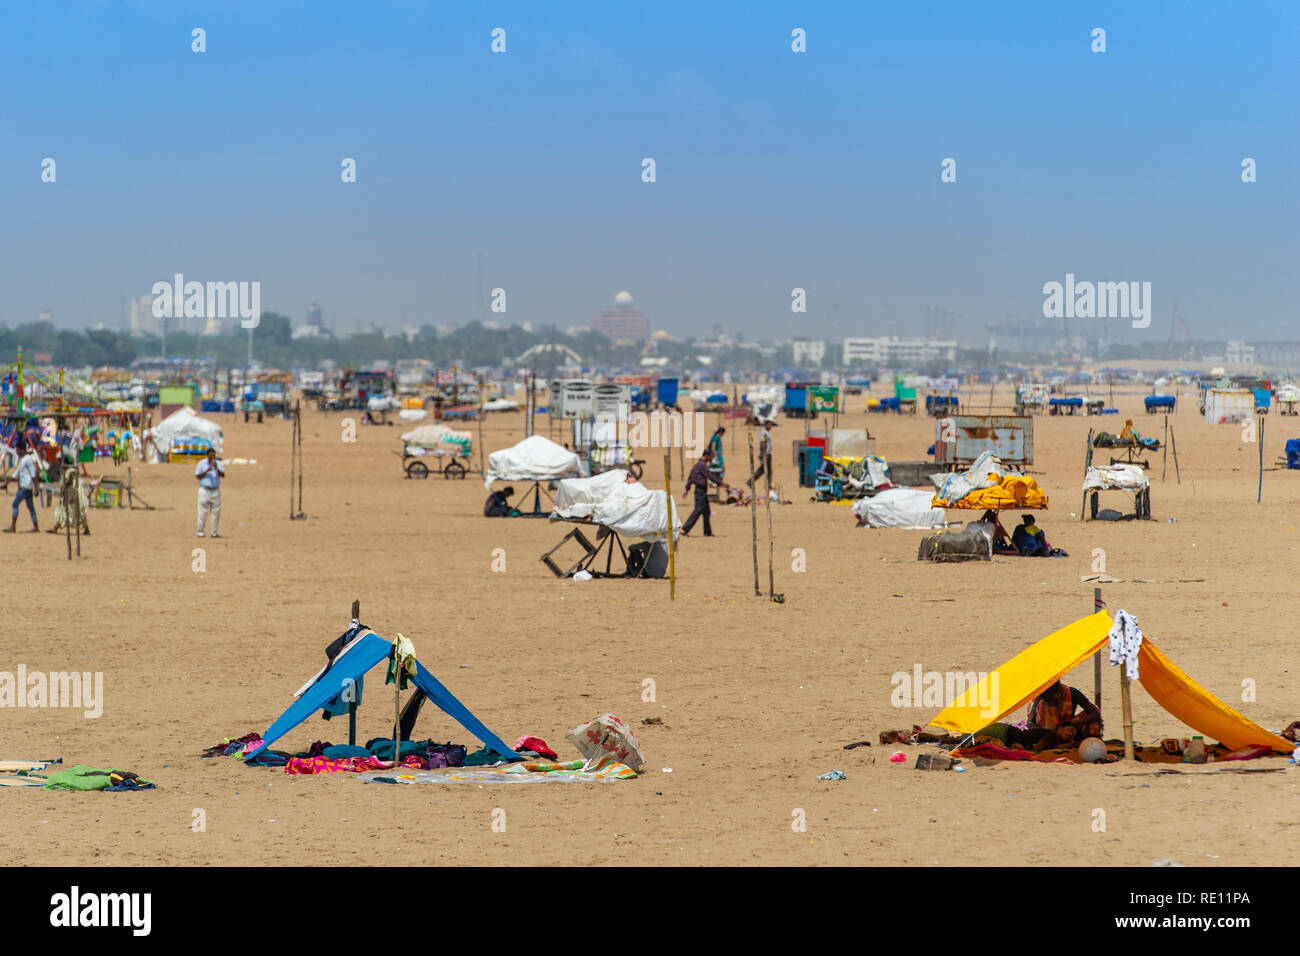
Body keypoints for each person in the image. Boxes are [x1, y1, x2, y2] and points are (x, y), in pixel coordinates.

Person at [1027, 680, 1103, 743]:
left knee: (1092, 716)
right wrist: (1043, 733)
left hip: (1069, 727)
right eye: (1047, 699)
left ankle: (1092, 743)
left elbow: (1095, 712)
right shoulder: (1041, 699)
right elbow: (1030, 722)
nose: (1050, 701)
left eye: (1051, 698)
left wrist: (1076, 723)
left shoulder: (1072, 693)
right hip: (1049, 733)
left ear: (1058, 691)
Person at [681, 449, 725, 537]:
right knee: (698, 510)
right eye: (710, 457)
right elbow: (709, 475)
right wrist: (721, 483)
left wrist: (687, 489)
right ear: (706, 456)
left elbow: (691, 477)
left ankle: (707, 532)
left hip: (701, 491)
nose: (710, 459)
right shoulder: (702, 465)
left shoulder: (697, 465)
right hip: (700, 491)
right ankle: (685, 529)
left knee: (706, 512)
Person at [6, 442, 41, 533]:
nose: (16, 452)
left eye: (17, 450)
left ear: (21, 449)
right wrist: (6, 484)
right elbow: (16, 473)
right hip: (26, 487)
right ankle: (36, 526)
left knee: (15, 504)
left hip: (25, 487)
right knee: (30, 507)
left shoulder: (28, 459)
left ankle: (13, 527)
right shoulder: (23, 460)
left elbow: (33, 475)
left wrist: (36, 488)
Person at [195, 447, 224, 538]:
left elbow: (223, 475)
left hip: (215, 490)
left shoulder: (218, 463)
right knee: (202, 512)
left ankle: (214, 532)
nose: (212, 457)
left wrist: (216, 468)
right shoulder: (201, 463)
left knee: (216, 512)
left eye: (213, 455)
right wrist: (207, 470)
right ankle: (200, 531)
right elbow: (198, 476)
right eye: (210, 455)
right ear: (207, 455)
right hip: (204, 490)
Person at [748, 420, 776, 487]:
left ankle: (768, 483)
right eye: (769, 425)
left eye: (771, 425)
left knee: (768, 470)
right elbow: (762, 443)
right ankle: (750, 481)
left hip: (768, 453)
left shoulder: (767, 433)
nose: (770, 426)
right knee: (763, 469)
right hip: (765, 453)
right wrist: (761, 453)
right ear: (765, 425)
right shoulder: (763, 433)